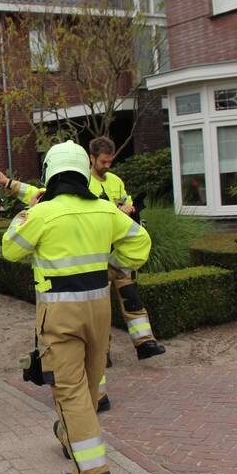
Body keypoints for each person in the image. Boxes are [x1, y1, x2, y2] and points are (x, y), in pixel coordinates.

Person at [1, 141, 150, 474]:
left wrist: (30, 211)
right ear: (84, 171)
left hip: (59, 313)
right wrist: (113, 267)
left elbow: (10, 249)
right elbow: (140, 243)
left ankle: (92, 473)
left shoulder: (42, 213)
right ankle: (72, 435)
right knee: (90, 383)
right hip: (98, 309)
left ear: (51, 172)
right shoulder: (105, 210)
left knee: (69, 390)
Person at [88, 136, 166, 364]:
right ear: (91, 158)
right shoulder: (84, 183)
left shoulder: (115, 181)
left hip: (119, 255)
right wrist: (116, 210)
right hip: (99, 255)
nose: (107, 166)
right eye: (103, 161)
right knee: (101, 309)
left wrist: (130, 207)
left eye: (110, 161)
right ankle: (103, 353)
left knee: (132, 299)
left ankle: (145, 343)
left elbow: (126, 200)